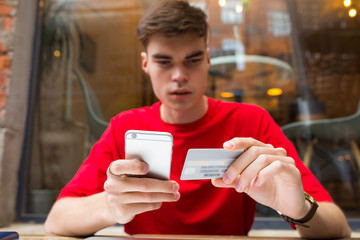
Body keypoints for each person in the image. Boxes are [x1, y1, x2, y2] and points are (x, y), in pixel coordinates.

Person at [44, 0, 351, 238]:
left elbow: (338, 226)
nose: (179, 76)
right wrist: (110, 206)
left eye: (192, 60)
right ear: (145, 64)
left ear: (207, 59)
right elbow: (57, 220)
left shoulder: (250, 122)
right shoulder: (125, 127)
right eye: (164, 62)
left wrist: (298, 209)